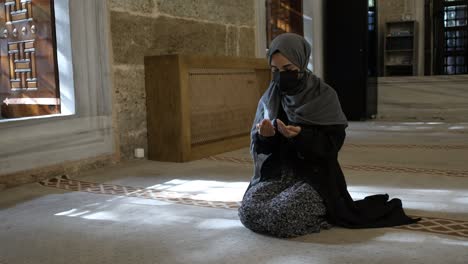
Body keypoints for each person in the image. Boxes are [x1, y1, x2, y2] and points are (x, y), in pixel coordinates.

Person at [238, 33, 419, 238]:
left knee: (280, 216)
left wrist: (301, 136)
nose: (281, 76)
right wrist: (266, 137)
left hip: (316, 178)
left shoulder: (323, 96)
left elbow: (331, 146)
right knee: (247, 210)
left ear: (301, 63)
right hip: (280, 175)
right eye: (275, 70)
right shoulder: (270, 98)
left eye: (288, 69)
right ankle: (308, 212)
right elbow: (265, 151)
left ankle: (324, 213)